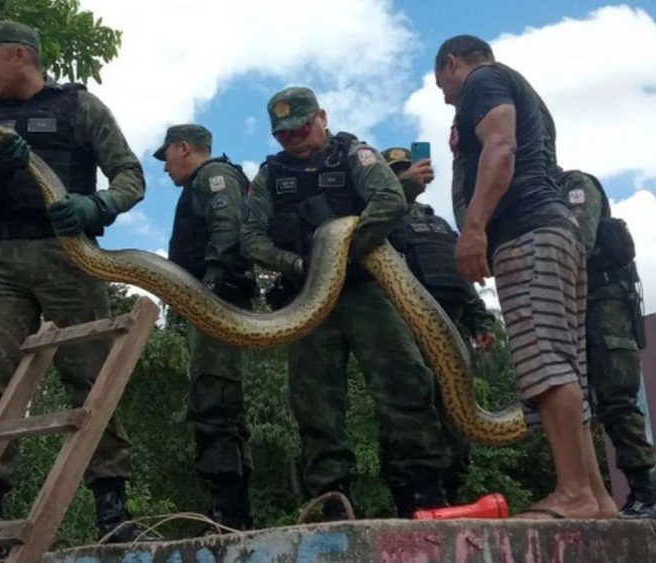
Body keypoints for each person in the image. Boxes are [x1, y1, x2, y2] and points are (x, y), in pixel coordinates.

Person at [0, 20, 148, 557]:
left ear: (20, 55)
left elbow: (131, 176)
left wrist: (97, 205)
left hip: (70, 254)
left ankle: (113, 509)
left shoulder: (80, 108)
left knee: (91, 376)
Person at [241, 86, 450, 519]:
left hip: (366, 288)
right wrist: (297, 264)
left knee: (404, 384)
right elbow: (250, 237)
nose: (291, 139)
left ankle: (421, 492)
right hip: (308, 298)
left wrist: (345, 251)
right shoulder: (270, 175)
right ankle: (331, 501)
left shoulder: (354, 154)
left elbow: (390, 199)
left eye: (299, 128)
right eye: (282, 134)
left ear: (321, 116)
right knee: (313, 402)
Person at [434, 34, 617, 519]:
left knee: (545, 363)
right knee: (562, 363)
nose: (447, 97)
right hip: (554, 235)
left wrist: (474, 228)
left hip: (529, 233)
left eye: (442, 86)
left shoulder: (484, 80)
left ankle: (573, 493)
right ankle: (595, 499)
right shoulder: (522, 88)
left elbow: (501, 145)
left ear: (452, 63)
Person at [154, 124, 257, 530]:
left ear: (183, 148)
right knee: (219, 395)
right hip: (207, 304)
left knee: (214, 398)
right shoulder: (198, 184)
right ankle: (231, 510)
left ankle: (229, 515)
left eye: (166, 157)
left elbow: (227, 225)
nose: (165, 167)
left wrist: (211, 282)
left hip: (218, 301)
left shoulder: (214, 176)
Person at [382, 146, 497, 503]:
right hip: (404, 326)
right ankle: (411, 495)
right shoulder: (382, 219)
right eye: (397, 170)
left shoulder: (438, 222)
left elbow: (459, 275)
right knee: (409, 409)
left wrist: (480, 319)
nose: (407, 171)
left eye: (408, 166)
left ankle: (454, 493)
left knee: (457, 413)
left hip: (451, 326)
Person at [559, 168, 656, 518]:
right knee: (586, 402)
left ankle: (647, 492)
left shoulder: (574, 185)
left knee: (617, 398)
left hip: (606, 304)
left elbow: (578, 240)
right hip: (582, 306)